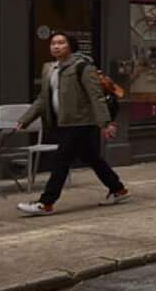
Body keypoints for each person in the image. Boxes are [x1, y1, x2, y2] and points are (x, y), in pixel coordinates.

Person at [16, 31, 129, 215]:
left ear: (71, 46)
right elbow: (42, 99)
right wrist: (25, 119)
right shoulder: (49, 69)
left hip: (81, 122)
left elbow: (96, 97)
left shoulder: (82, 67)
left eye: (61, 42)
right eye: (53, 43)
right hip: (62, 122)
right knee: (92, 158)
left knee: (61, 159)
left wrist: (105, 123)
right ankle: (118, 189)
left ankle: (46, 203)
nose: (56, 46)